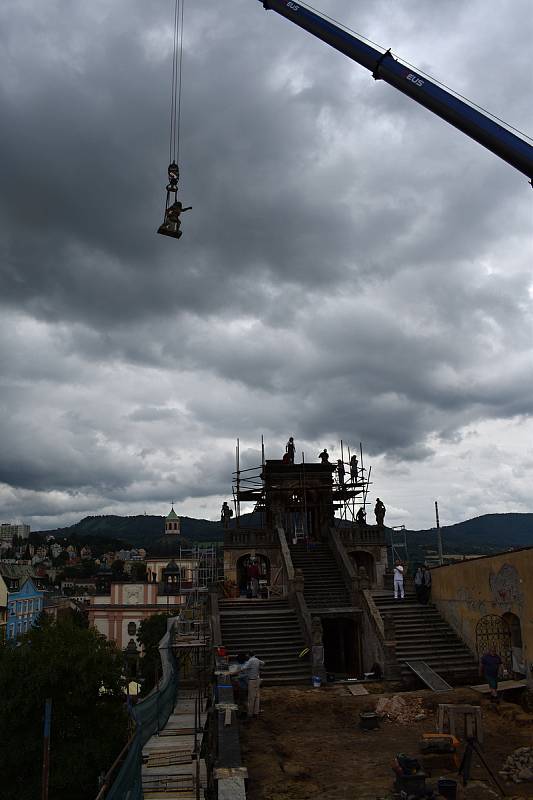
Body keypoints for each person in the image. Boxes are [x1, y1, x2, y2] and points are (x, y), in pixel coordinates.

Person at [240, 652, 266, 718]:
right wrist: (257, 668)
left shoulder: (250, 661)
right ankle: (256, 712)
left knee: (251, 697)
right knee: (257, 696)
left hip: (252, 680)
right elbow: (263, 663)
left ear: (249, 655)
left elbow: (243, 668)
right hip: (257, 679)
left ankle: (250, 713)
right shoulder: (257, 660)